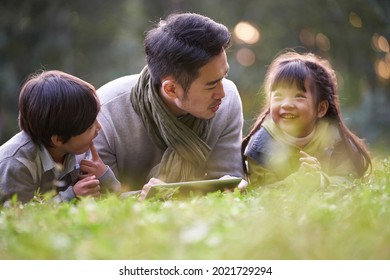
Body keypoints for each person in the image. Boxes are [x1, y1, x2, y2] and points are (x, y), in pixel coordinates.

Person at [94, 12, 245, 192]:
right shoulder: (106, 110)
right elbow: (101, 199)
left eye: (224, 76)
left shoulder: (228, 99)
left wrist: (233, 187)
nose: (222, 93)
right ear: (171, 89)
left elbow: (227, 182)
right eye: (211, 85)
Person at [242, 51, 371, 188]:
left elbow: (350, 180)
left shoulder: (335, 139)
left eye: (298, 96)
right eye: (278, 96)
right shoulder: (260, 146)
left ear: (321, 109)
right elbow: (261, 190)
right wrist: (297, 181)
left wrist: (320, 181)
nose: (286, 104)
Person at [0, 70, 121, 205]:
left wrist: (103, 176)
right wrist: (71, 195)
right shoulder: (16, 164)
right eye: (89, 127)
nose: (99, 127)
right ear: (58, 139)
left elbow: (113, 203)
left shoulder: (72, 150)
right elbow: (19, 218)